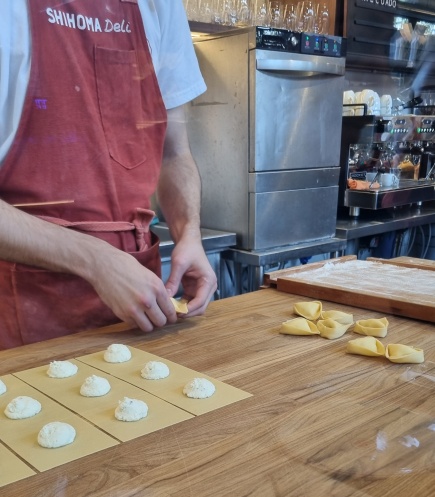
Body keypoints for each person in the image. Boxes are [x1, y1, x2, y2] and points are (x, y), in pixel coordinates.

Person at [0, 1, 217, 349]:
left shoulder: (161, 5)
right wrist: (97, 261)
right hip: (31, 304)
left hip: (140, 301)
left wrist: (189, 233)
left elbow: (174, 152)